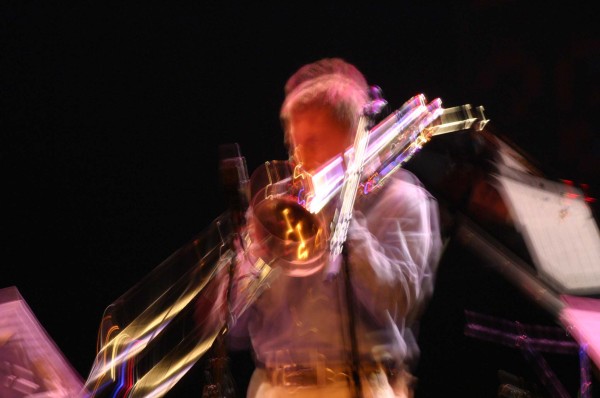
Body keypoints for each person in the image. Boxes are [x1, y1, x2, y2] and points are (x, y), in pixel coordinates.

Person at [226, 57, 443, 398]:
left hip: (360, 387)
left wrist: (344, 221)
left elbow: (398, 303)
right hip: (275, 388)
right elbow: (234, 331)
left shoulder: (403, 199)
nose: (298, 159)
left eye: (311, 142)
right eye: (292, 145)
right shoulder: (277, 209)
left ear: (348, 141)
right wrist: (251, 263)